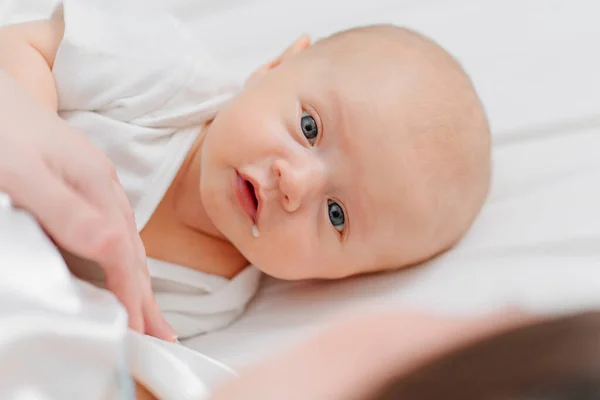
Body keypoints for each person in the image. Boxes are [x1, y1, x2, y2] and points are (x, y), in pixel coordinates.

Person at [0, 0, 491, 339]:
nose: (295, 182)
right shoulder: (168, 77)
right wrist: (44, 134)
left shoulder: (209, 298)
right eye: (309, 127)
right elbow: (20, 47)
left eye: (337, 214)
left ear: (334, 279)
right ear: (275, 67)